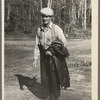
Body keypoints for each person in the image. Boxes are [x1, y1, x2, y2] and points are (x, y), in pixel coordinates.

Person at [33, 7, 70, 100]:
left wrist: (53, 51)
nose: (44, 19)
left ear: (51, 18)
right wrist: (35, 59)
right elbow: (37, 45)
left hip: (54, 59)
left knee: (54, 79)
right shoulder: (39, 30)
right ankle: (46, 97)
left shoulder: (56, 29)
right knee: (45, 79)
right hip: (43, 58)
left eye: (47, 17)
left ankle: (54, 97)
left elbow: (64, 43)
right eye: (43, 16)